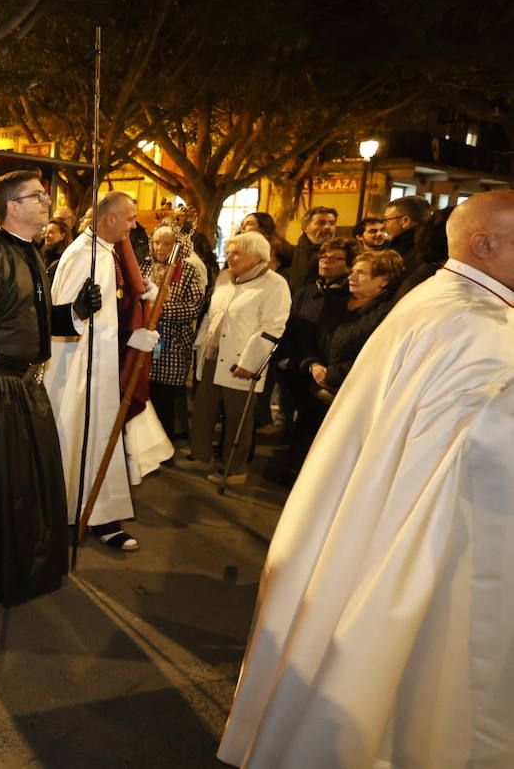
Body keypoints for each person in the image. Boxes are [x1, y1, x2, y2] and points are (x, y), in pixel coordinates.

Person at [217, 190, 514, 769]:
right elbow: (481, 458)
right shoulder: (479, 327)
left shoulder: (440, 301)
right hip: (432, 540)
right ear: (486, 242)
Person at [0, 171, 99, 607]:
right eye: (38, 197)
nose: (47, 203)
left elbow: (32, 320)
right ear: (12, 206)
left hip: (25, 388)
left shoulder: (31, 253)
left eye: (46, 196)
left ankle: (24, 568)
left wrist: (76, 311)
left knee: (25, 486)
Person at [46, 192, 170, 552]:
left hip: (98, 368)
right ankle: (75, 514)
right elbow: (72, 319)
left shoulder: (104, 251)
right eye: (130, 218)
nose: (134, 225)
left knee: (98, 443)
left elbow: (107, 313)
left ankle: (96, 514)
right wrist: (132, 339)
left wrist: (139, 308)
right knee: (80, 443)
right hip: (79, 373)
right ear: (110, 218)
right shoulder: (85, 256)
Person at [189, 231, 291, 484]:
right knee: (204, 410)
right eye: (230, 251)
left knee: (238, 418)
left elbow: (273, 328)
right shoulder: (225, 278)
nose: (230, 257)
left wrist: (250, 362)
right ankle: (203, 456)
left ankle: (235, 470)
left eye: (237, 253)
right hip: (213, 355)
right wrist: (199, 344)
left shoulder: (274, 284)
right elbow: (211, 316)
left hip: (241, 362)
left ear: (258, 257)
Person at [274, 237, 356, 484]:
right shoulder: (306, 292)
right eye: (323, 257)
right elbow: (290, 325)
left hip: (325, 369)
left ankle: (305, 476)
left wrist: (319, 365)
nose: (326, 262)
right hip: (299, 365)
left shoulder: (349, 297)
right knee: (296, 420)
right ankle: (291, 467)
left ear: (348, 264)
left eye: (335, 258)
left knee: (314, 424)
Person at [297, 248, 402, 400]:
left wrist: (332, 375)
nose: (351, 277)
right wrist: (314, 364)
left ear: (384, 280)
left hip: (356, 393)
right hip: (316, 385)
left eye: (361, 273)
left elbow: (375, 356)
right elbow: (314, 339)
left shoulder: (387, 313)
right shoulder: (337, 303)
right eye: (352, 271)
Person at [138, 225, 206, 452]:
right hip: (143, 342)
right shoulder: (145, 266)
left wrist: (158, 307)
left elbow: (193, 308)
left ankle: (164, 448)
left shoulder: (188, 271)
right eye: (157, 242)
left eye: (167, 243)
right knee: (143, 396)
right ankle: (143, 448)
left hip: (172, 345)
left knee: (164, 400)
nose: (160, 247)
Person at [285, 205, 339, 292]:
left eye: (332, 223)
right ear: (306, 228)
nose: (327, 227)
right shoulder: (290, 253)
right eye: (321, 223)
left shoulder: (341, 254)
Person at [381, 193, 431, 277]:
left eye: (387, 220)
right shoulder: (431, 243)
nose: (384, 224)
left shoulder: (404, 249)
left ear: (405, 221)